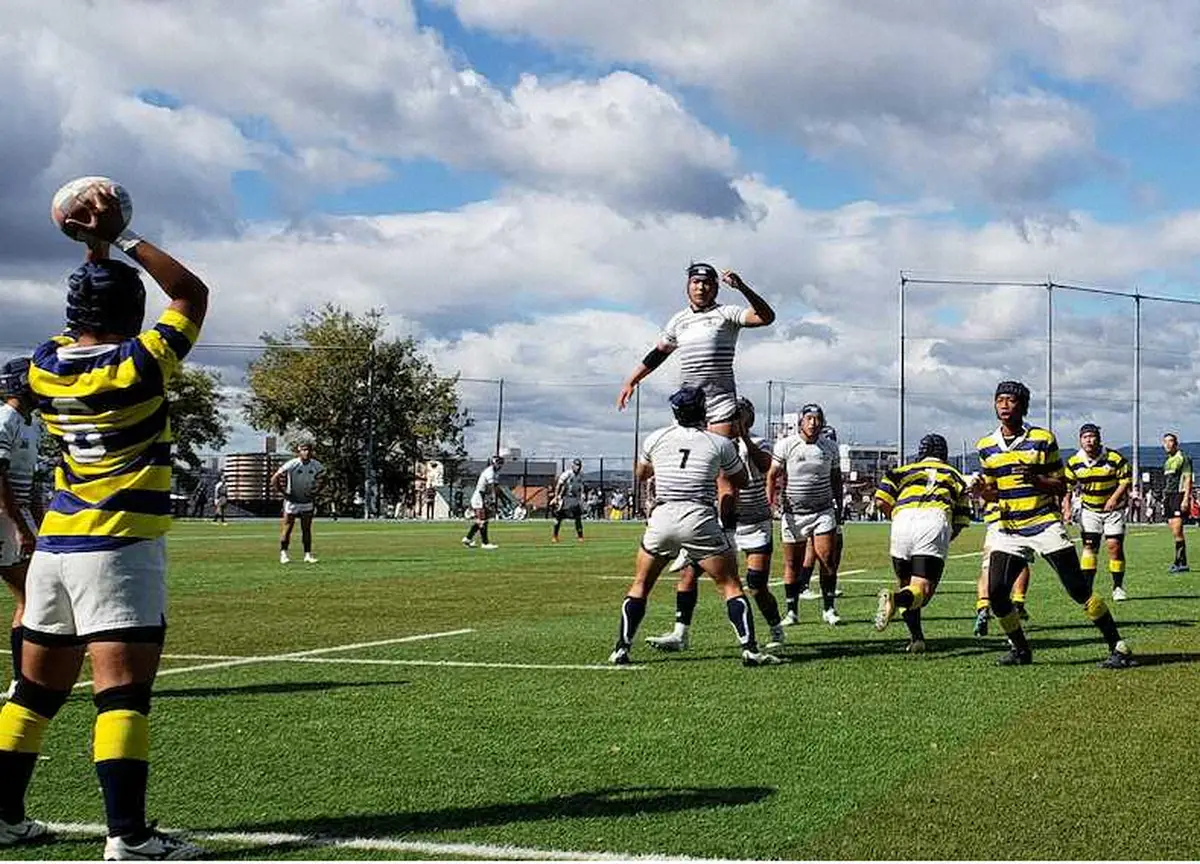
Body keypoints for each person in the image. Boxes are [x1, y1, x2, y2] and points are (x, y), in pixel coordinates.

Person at [0, 185, 208, 858]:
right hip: (117, 548)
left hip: (57, 548)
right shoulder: (139, 364)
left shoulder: (46, 364)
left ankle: (4, 817)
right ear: (133, 315)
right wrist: (120, 236)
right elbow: (191, 293)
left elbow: (92, 316)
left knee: (34, 693)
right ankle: (130, 838)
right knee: (123, 697)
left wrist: (90, 248)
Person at [608, 387, 779, 667]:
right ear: (704, 411)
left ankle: (621, 648)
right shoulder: (718, 443)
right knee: (731, 586)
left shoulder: (656, 438)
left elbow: (641, 474)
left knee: (640, 584)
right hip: (698, 516)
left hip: (662, 516)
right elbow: (741, 480)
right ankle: (750, 649)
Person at [976, 381, 1133, 668]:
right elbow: (992, 491)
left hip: (1043, 523)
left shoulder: (1043, 439)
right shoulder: (985, 446)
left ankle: (1119, 646)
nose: (1004, 405)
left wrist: (1037, 480)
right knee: (997, 594)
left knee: (1077, 589)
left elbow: (1061, 485)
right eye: (999, 400)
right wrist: (978, 491)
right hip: (1008, 528)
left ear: (1022, 406)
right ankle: (1021, 649)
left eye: (1010, 400)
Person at [647, 397, 786, 653]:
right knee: (689, 574)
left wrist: (744, 439)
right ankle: (680, 632)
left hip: (754, 521)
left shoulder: (757, 442)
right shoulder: (711, 444)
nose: (732, 420)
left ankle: (776, 626)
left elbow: (767, 466)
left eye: (738, 415)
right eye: (730, 416)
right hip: (718, 522)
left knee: (756, 585)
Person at [872, 434, 971, 652]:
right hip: (933, 520)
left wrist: (896, 516)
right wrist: (944, 539)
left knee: (907, 584)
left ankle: (917, 639)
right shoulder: (955, 475)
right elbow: (962, 519)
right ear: (944, 454)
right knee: (921, 593)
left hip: (902, 520)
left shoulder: (902, 470)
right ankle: (895, 600)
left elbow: (880, 500)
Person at [767, 403, 844, 626]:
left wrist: (839, 505)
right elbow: (772, 475)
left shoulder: (830, 447)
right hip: (793, 513)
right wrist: (771, 504)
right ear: (801, 421)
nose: (813, 423)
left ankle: (829, 608)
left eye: (817, 419)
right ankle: (791, 611)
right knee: (793, 564)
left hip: (823, 511)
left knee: (828, 559)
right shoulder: (786, 445)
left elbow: (836, 479)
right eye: (809, 418)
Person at [0, 359, 42, 701]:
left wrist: (41, 524)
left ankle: (22, 679)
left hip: (19, 515)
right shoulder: (5, 419)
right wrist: (19, 526)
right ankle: (22, 681)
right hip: (6, 518)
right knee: (30, 596)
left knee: (30, 597)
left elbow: (34, 481)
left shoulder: (33, 424)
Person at [1063, 424, 1132, 601]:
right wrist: (1068, 509)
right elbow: (1067, 488)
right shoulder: (1074, 462)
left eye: (1092, 436)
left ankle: (1118, 587)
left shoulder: (1114, 458)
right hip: (1090, 510)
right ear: (1080, 440)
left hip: (1113, 510)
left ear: (1099, 439)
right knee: (1089, 547)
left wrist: (1114, 498)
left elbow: (1125, 480)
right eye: (1085, 437)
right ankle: (1087, 589)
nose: (1089, 440)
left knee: (1114, 547)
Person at [271, 442, 324, 564]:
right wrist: (284, 493)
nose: (307, 452)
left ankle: (308, 555)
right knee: (288, 527)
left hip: (306, 501)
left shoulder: (316, 465)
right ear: (299, 451)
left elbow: (324, 477)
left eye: (309, 450)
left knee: (307, 529)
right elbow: (275, 478)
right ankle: (283, 554)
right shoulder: (292, 464)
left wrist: (316, 491)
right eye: (304, 450)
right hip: (292, 501)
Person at [1161, 433, 1192, 573]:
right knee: (1174, 531)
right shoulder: (1168, 461)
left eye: (1171, 441)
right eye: (1165, 442)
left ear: (1176, 443)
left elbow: (1187, 479)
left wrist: (1186, 498)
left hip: (1178, 496)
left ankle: (1179, 562)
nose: (1168, 444)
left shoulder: (1183, 458)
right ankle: (1183, 562)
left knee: (1178, 529)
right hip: (1168, 497)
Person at [462, 455, 503, 549]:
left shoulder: (495, 473)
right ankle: (485, 543)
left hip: (483, 497)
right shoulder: (490, 472)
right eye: (498, 463)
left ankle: (468, 538)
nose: (500, 466)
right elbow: (492, 486)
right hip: (479, 497)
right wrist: (493, 498)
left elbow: (496, 487)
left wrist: (503, 499)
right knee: (483, 520)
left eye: (501, 464)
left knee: (481, 520)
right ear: (494, 463)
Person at [551, 459, 586, 543]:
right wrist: (556, 497)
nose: (577, 467)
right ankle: (555, 536)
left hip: (575, 499)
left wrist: (582, 495)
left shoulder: (581, 475)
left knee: (578, 517)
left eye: (579, 466)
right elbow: (559, 485)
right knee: (559, 517)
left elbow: (581, 486)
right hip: (566, 498)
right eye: (576, 465)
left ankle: (580, 536)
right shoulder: (567, 474)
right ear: (572, 465)